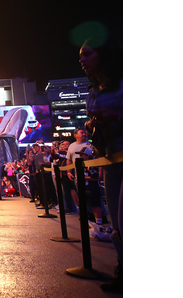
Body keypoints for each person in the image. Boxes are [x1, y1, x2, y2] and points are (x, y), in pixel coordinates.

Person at [79, 37, 123, 292]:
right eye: (80, 56)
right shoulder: (93, 91)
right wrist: (91, 124)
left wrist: (116, 116)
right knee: (117, 223)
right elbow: (91, 123)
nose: (82, 60)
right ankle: (123, 269)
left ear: (104, 55)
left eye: (87, 54)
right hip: (110, 161)